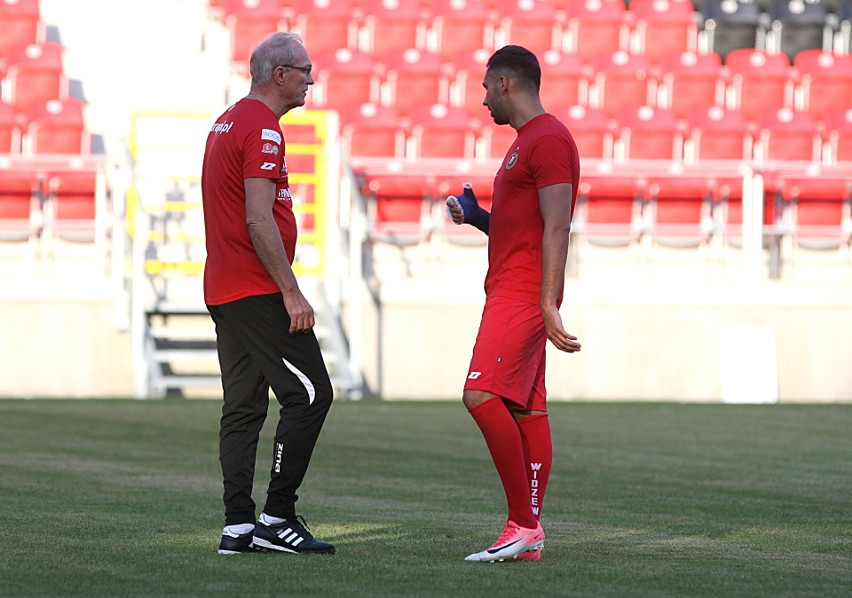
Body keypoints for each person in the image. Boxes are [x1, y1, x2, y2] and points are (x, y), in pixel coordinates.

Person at [445, 45, 582, 563]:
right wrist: (478, 216)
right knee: (527, 408)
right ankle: (530, 534)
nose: (482, 101)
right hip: (513, 283)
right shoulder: (526, 143)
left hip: (524, 290)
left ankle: (522, 523)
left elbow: (558, 224)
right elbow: (521, 224)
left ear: (505, 83)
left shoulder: (547, 139)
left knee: (480, 394)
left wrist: (547, 301)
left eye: (485, 88)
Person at [201, 32, 335, 556]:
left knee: (243, 407)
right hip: (256, 290)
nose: (311, 79)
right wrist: (292, 293)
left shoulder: (227, 120)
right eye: (305, 70)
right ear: (279, 75)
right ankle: (278, 517)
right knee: (310, 395)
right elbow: (259, 220)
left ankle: (238, 526)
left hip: (225, 288)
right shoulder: (262, 130)